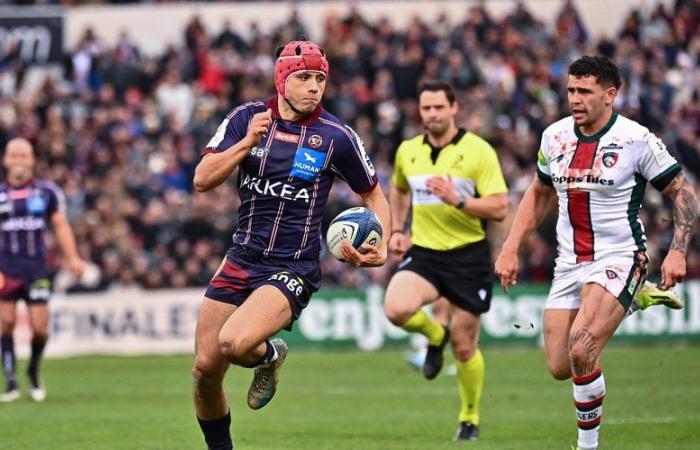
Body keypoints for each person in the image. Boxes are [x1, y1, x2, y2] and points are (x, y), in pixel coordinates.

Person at [190, 40, 391, 450]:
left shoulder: (336, 136)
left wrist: (381, 242)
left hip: (292, 266)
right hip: (241, 256)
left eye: (320, 79)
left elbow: (374, 195)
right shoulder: (246, 118)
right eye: (304, 78)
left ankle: (268, 355)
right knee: (205, 370)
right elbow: (201, 179)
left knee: (234, 343)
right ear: (282, 80)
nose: (314, 87)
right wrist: (245, 144)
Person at [495, 56, 696, 450]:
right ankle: (633, 299)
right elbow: (538, 194)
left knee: (582, 345)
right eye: (571, 90)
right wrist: (509, 247)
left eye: (584, 91)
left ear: (610, 95)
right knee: (559, 365)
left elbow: (683, 191)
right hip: (570, 262)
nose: (574, 98)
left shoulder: (636, 139)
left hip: (620, 255)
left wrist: (677, 251)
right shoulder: (553, 136)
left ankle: (587, 446)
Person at [384, 80, 509, 441]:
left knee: (466, 345)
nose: (432, 114)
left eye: (439, 107)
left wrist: (459, 201)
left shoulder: (478, 151)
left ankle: (469, 417)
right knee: (396, 308)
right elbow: (399, 188)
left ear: (454, 108)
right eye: (426, 108)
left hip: (468, 256)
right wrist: (397, 229)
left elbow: (500, 207)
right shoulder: (408, 151)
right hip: (424, 253)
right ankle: (436, 335)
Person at [0, 138, 86, 403]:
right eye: (14, 155)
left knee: (39, 328)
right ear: (5, 160)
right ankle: (11, 379)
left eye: (24, 155)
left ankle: (33, 371)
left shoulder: (46, 192)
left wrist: (73, 258)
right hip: (6, 267)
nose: (19, 160)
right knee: (6, 322)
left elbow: (60, 226)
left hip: (37, 268)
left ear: (32, 160)